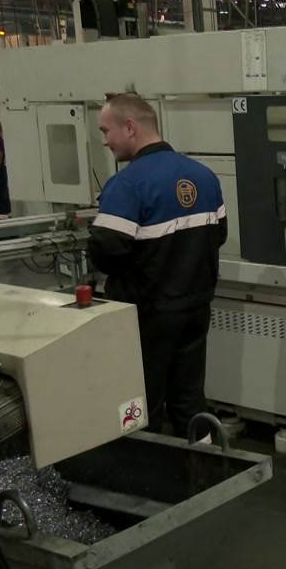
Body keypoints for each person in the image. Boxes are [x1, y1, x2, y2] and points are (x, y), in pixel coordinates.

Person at [87, 93, 227, 438]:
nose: (104, 140)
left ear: (129, 127)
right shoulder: (205, 177)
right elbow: (218, 236)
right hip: (195, 309)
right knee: (189, 399)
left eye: (106, 131)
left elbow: (105, 252)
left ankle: (147, 466)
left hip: (147, 315)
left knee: (139, 404)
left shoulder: (127, 185)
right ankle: (204, 461)